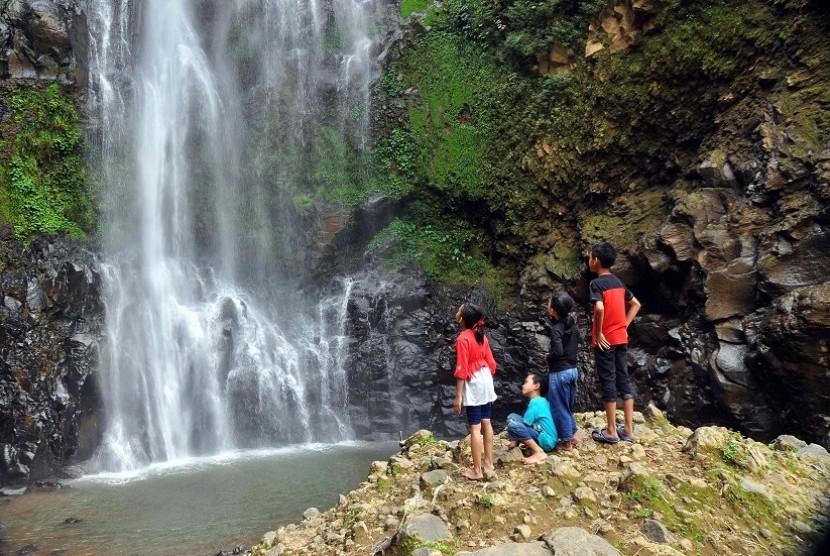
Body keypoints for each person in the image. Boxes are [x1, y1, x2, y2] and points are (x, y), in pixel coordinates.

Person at [587, 242, 641, 444]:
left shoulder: (596, 284)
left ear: (596, 261)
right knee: (623, 380)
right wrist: (624, 325)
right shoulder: (618, 282)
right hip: (621, 338)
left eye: (589, 257)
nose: (588, 260)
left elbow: (599, 308)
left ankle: (611, 431)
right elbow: (635, 304)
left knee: (608, 382)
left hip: (606, 342)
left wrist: (599, 332)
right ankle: (628, 429)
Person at [453, 302, 497, 480]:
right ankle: (489, 463)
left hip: (474, 382)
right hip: (486, 378)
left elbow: (462, 369)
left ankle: (477, 471)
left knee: (475, 427)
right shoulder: (482, 336)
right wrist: (488, 383)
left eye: (458, 311)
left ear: (461, 319)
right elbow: (491, 362)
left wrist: (458, 397)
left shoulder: (463, 338)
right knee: (486, 421)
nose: (456, 312)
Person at [546, 290, 580, 451]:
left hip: (559, 373)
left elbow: (558, 352)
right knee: (568, 405)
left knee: (559, 406)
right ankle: (573, 435)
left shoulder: (556, 329)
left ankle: (567, 442)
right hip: (573, 371)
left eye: (549, 303)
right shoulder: (573, 326)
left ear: (553, 310)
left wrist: (548, 357)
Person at [506, 372, 558, 464]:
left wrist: (518, 437)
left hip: (546, 440)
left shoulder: (535, 402)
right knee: (512, 416)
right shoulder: (543, 401)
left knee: (513, 425)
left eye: (526, 382)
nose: (523, 385)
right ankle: (518, 442)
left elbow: (525, 424)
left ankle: (539, 452)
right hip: (548, 438)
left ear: (536, 386)